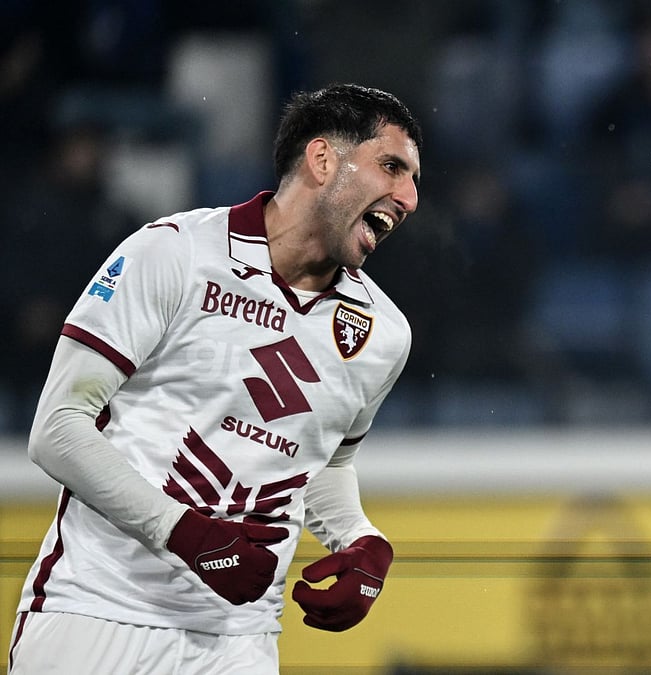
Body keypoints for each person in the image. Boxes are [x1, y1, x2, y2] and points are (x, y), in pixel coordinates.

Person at [7, 83, 422, 674]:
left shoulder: (383, 334)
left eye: (412, 179)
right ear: (323, 159)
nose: (407, 197)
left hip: (240, 642)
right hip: (98, 613)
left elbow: (323, 462)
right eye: (391, 167)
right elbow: (56, 430)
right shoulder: (172, 255)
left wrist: (360, 540)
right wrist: (187, 534)